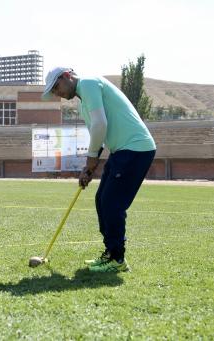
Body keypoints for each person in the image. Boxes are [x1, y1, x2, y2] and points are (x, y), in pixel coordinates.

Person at [42, 67, 156, 272]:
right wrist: (90, 166)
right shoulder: (84, 101)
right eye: (53, 91)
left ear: (67, 76)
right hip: (121, 150)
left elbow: (100, 124)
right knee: (102, 200)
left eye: (57, 86)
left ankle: (117, 259)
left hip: (135, 148)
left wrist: (91, 159)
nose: (57, 93)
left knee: (112, 204)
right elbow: (99, 131)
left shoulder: (88, 83)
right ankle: (110, 253)